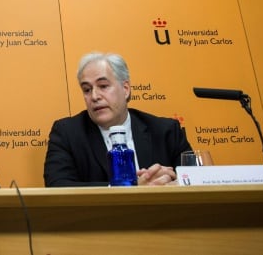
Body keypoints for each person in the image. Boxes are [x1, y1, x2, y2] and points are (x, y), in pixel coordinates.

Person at [44, 52, 192, 187]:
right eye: (87, 90)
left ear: (125, 89)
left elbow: (197, 180)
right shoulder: (67, 133)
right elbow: (57, 186)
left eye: (103, 86)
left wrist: (173, 184)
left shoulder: (165, 130)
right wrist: (131, 189)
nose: (95, 96)